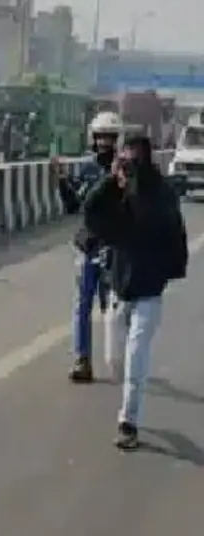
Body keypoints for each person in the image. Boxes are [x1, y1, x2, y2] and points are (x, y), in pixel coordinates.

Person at [82, 135, 187, 449]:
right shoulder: (115, 192)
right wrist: (111, 182)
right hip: (119, 286)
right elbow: (89, 210)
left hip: (149, 289)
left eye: (134, 158)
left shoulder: (161, 193)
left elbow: (173, 233)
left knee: (136, 355)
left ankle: (129, 421)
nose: (130, 164)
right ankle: (128, 402)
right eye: (126, 158)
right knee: (115, 360)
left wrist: (168, 271)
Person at [53, 111, 122, 383]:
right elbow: (73, 206)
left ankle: (119, 357)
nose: (104, 143)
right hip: (88, 247)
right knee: (82, 305)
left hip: (114, 250)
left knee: (113, 309)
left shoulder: (125, 173)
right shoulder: (89, 170)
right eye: (100, 137)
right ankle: (82, 360)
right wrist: (60, 179)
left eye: (109, 138)